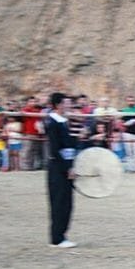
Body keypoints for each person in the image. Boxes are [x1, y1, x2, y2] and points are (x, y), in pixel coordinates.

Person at [45, 92, 78, 248]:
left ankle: (62, 234)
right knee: (59, 203)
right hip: (58, 168)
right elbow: (55, 150)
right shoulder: (52, 123)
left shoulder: (63, 121)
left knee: (67, 203)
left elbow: (67, 144)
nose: (69, 105)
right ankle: (57, 237)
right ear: (58, 105)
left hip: (66, 166)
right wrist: (67, 169)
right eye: (66, 102)